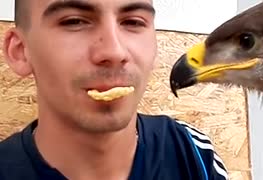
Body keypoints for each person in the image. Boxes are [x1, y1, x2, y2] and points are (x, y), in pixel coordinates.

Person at [0, 0, 229, 179]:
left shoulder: (191, 152)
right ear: (20, 51)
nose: (114, 51)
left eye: (134, 22)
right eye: (74, 21)